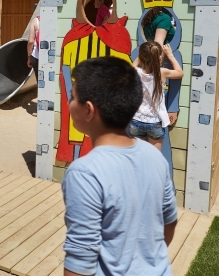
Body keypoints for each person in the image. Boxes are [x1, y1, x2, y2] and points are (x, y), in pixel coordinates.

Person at [61, 56, 177, 276]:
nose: (69, 103)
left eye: (72, 97)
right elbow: (168, 223)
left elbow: (80, 261)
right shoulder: (156, 158)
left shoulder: (84, 173)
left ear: (88, 110)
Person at [129, 42, 183, 152]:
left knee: (139, 155)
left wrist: (141, 56)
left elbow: (131, 67)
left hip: (136, 121)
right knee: (155, 158)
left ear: (141, 56)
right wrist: (170, 54)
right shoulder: (161, 72)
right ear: (159, 58)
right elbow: (180, 73)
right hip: (154, 123)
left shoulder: (135, 72)